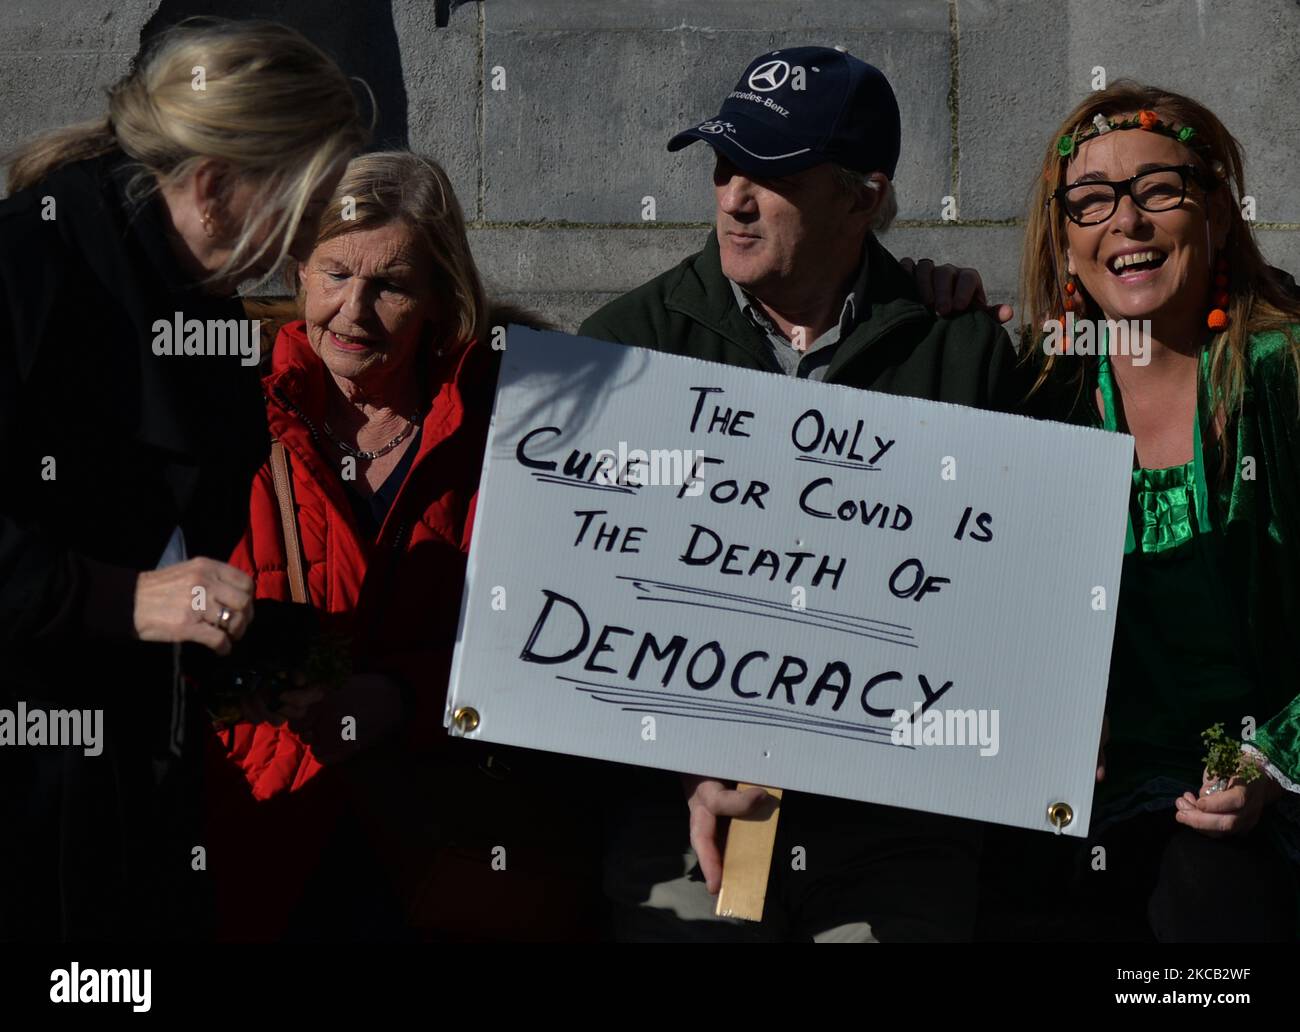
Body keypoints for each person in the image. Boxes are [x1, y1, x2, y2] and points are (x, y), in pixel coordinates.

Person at [578, 46, 1025, 942]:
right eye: (724, 165)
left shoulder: (958, 350)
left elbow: (1004, 603)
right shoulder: (625, 348)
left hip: (891, 822)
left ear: (862, 196)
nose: (734, 197)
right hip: (688, 814)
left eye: (772, 172)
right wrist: (692, 765)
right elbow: (581, 616)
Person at [0, 17, 367, 941]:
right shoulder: (31, 265)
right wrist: (122, 598)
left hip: (122, 785)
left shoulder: (180, 290)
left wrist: (250, 646)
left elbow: (150, 535)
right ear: (213, 189)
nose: (302, 250)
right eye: (300, 210)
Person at [204, 151, 609, 942]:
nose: (353, 311)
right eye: (333, 275)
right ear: (299, 273)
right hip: (262, 822)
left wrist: (407, 699)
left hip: (448, 832)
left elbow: (566, 629)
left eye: (390, 285)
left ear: (440, 298)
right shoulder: (224, 405)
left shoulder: (517, 420)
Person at [980, 81, 1300, 942]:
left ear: (1220, 214)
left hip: (1254, 793)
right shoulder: (1042, 390)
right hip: (1083, 803)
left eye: (1160, 189)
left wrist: (1274, 758)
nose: (1127, 221)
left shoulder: (1285, 368)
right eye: (1092, 200)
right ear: (1065, 238)